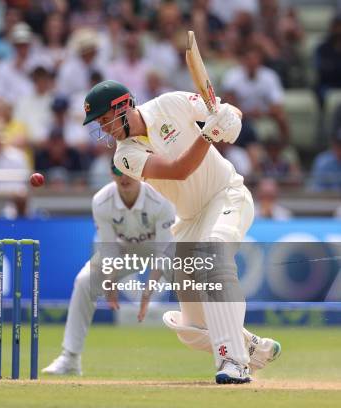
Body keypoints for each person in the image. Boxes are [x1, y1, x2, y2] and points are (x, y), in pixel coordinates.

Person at [81, 80, 281, 384]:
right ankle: (252, 346)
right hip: (188, 220)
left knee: (213, 254)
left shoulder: (170, 103)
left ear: (123, 106)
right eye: (98, 123)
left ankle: (234, 361)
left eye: (105, 118)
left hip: (226, 195)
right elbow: (178, 170)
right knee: (190, 328)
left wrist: (230, 117)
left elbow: (229, 111)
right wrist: (210, 133)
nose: (104, 128)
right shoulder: (124, 156)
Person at [42, 160, 176, 375]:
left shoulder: (160, 199)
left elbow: (163, 252)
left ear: (140, 172)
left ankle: (225, 354)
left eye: (129, 170)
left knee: (194, 286)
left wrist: (148, 291)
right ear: (110, 173)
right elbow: (109, 249)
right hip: (125, 250)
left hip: (163, 250)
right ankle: (70, 358)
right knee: (85, 282)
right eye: (117, 171)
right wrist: (110, 281)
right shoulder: (102, 201)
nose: (124, 177)